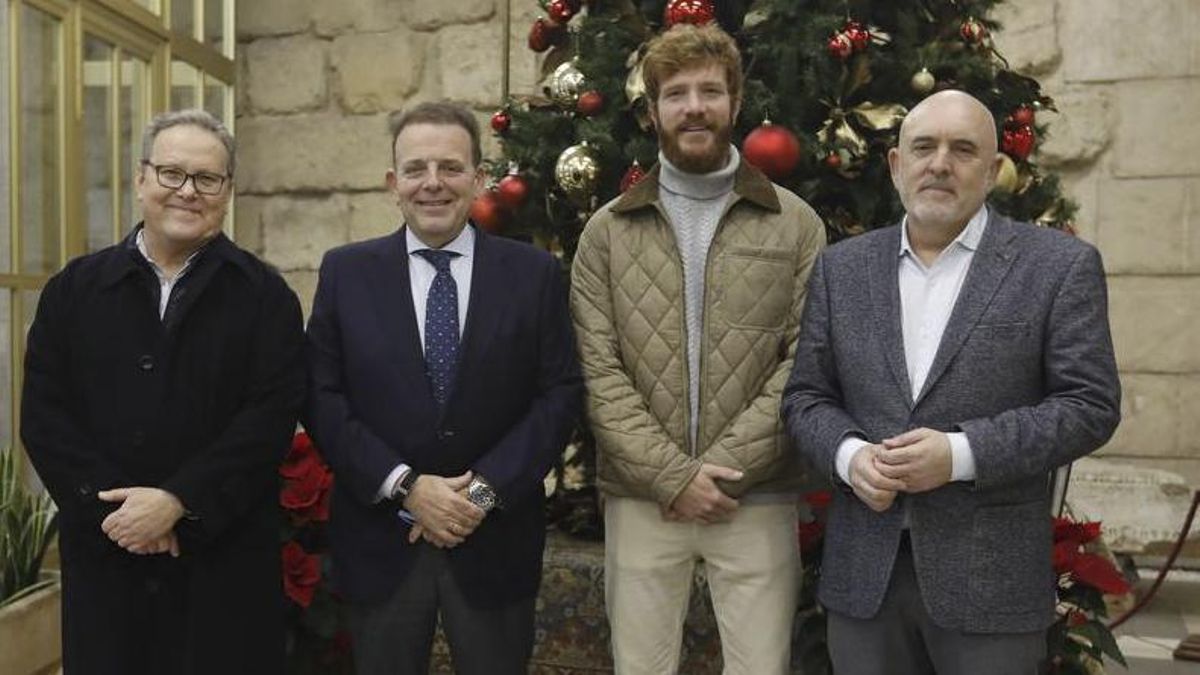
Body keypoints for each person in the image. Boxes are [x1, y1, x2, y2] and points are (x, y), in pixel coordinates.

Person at [781, 89, 1121, 674]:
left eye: (963, 150)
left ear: (992, 172)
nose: (939, 163)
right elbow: (807, 397)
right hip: (866, 582)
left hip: (990, 585)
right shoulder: (843, 269)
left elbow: (1089, 404)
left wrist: (960, 453)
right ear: (896, 165)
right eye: (923, 147)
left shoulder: (1057, 267)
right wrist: (849, 454)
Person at [571, 24, 826, 675]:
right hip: (642, 497)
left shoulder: (795, 223)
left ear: (735, 104)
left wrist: (721, 470)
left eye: (709, 90)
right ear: (652, 110)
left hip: (756, 495)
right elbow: (599, 371)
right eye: (676, 93)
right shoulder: (606, 232)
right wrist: (671, 476)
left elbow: (804, 362)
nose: (693, 107)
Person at [21, 109, 305, 674]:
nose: (187, 192)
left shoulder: (265, 297)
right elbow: (45, 416)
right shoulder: (74, 290)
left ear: (227, 191)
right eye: (172, 174)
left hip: (220, 570)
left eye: (206, 179)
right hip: (106, 564)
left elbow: (268, 421)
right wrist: (119, 514)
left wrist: (177, 502)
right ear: (140, 179)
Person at [304, 100, 582, 675]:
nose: (433, 183)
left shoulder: (533, 274)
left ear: (479, 178)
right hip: (382, 545)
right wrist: (406, 488)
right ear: (392, 182)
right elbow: (321, 396)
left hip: (495, 546)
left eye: (451, 168)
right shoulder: (345, 272)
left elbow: (559, 396)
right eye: (416, 169)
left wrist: (477, 496)